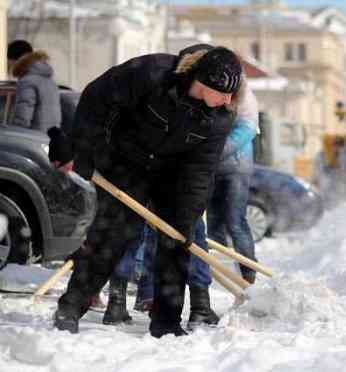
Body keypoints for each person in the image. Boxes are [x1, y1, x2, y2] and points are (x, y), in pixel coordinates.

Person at [47, 44, 244, 338]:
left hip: (172, 173)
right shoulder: (151, 74)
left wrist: (187, 217)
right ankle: (70, 308)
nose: (229, 100)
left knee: (176, 242)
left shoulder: (220, 116)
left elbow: (200, 169)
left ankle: (166, 323)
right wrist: (83, 150)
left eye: (232, 93)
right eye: (223, 93)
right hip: (125, 161)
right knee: (112, 235)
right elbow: (96, 100)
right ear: (202, 83)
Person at [207, 87, 259, 284]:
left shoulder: (243, 95)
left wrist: (214, 151)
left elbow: (247, 129)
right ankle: (219, 270)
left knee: (235, 221)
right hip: (213, 168)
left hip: (237, 167)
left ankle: (248, 272)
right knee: (214, 222)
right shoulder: (210, 91)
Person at [7, 39, 61, 132]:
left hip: (32, 139)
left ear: (14, 60)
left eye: (9, 60)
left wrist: (14, 135)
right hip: (49, 138)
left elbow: (22, 117)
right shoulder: (49, 81)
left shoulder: (27, 81)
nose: (9, 65)